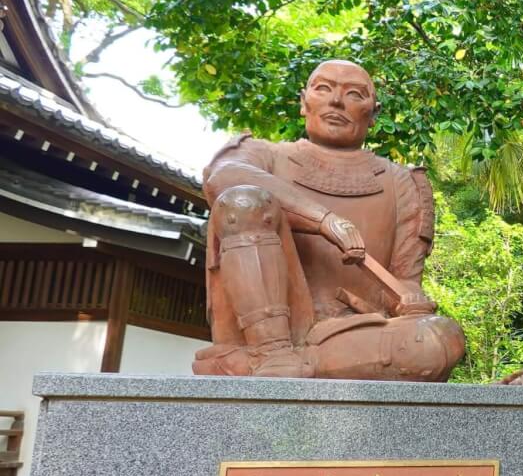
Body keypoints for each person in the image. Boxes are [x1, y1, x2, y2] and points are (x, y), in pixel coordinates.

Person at [193, 60, 466, 380]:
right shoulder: (263, 154)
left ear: (373, 114)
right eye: (323, 89)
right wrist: (322, 219)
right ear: (303, 101)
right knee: (243, 200)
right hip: (261, 337)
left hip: (349, 336)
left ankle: (282, 365)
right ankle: (271, 353)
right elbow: (223, 178)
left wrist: (409, 300)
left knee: (438, 339)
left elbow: (404, 283)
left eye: (354, 94)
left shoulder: (400, 182)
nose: (336, 102)